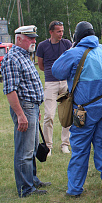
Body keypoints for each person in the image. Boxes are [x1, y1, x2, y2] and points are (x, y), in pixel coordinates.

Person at [52, 21, 102, 197]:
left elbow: (56, 71)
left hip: (85, 109)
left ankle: (75, 190)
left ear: (77, 37)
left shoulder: (74, 53)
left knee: (80, 149)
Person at [1, 25, 51, 197]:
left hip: (32, 107)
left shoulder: (24, 56)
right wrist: (21, 115)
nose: (34, 41)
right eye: (30, 38)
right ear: (19, 38)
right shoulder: (12, 59)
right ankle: (26, 189)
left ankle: (33, 180)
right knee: (24, 150)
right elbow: (10, 90)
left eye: (34, 38)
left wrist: (35, 110)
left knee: (32, 148)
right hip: (24, 107)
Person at [36, 20, 72, 155]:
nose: (61, 33)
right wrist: (53, 73)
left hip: (65, 82)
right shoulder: (42, 46)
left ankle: (65, 144)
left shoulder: (67, 44)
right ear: (51, 32)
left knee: (67, 114)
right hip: (51, 83)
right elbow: (41, 65)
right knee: (49, 115)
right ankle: (48, 146)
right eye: (58, 31)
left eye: (62, 31)